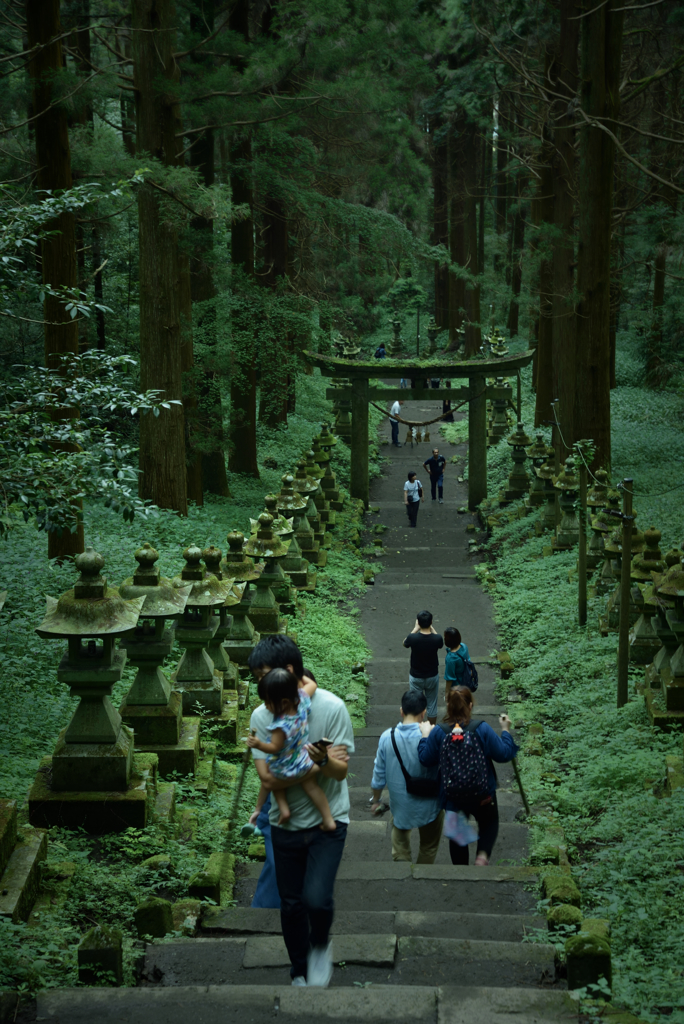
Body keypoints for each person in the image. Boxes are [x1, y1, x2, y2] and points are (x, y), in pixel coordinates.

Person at [248, 635, 354, 988]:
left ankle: (320, 945)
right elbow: (266, 777)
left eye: (262, 676)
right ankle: (299, 969)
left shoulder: (331, 708)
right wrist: (312, 767)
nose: (259, 687)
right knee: (291, 904)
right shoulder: (261, 716)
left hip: (329, 820)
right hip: (284, 822)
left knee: (317, 898)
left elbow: (341, 772)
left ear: (288, 671)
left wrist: (320, 761)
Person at [418, 686, 518, 866]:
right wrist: (505, 730)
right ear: (470, 706)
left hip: (453, 797)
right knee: (489, 823)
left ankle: (461, 870)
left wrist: (425, 736)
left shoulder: (439, 732)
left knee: (457, 835)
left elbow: (425, 759)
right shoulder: (481, 729)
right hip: (483, 793)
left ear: (448, 706)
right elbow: (504, 754)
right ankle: (481, 856)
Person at [247, 668, 336, 832]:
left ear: (284, 703)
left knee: (271, 772)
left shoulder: (279, 725)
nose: (266, 707)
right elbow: (312, 684)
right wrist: (293, 674)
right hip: (304, 758)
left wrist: (258, 744)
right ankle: (328, 819)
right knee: (312, 787)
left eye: (268, 702)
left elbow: (274, 747)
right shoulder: (301, 701)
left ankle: (284, 808)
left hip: (285, 765)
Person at [370, 690, 444, 863]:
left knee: (400, 848)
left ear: (401, 711)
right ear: (424, 712)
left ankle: (402, 875)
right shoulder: (433, 736)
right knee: (429, 846)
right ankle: (422, 874)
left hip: (401, 806)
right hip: (430, 805)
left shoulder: (387, 737)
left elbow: (378, 776)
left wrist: (376, 800)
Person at [403, 610, 443, 724]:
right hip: (432, 675)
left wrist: (415, 629)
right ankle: (431, 730)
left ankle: (417, 729)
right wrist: (431, 627)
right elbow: (440, 641)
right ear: (431, 622)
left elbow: (405, 642)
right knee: (432, 704)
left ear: (418, 623)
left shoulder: (413, 638)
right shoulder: (437, 639)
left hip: (416, 676)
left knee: (415, 702)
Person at [444, 627, 475, 696]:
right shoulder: (463, 646)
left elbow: (449, 678)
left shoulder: (451, 658)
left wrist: (447, 693)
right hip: (466, 681)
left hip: (457, 686)